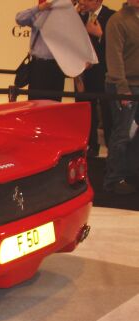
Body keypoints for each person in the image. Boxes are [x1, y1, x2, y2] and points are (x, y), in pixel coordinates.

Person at [103, 0, 139, 195]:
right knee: (122, 134)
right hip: (123, 86)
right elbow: (114, 58)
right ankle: (113, 179)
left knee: (135, 136)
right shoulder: (117, 21)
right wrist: (122, 89)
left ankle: (132, 173)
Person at [76, 0, 115, 157]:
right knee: (86, 111)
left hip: (107, 73)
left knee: (108, 112)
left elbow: (117, 46)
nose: (82, 2)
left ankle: (111, 148)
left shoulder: (112, 17)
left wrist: (100, 35)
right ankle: (90, 147)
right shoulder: (78, 17)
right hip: (85, 74)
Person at [15, 2, 65, 101]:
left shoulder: (65, 16)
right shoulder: (39, 13)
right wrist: (38, 8)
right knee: (36, 102)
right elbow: (19, 19)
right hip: (39, 65)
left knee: (55, 103)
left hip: (58, 66)